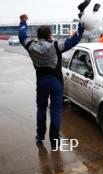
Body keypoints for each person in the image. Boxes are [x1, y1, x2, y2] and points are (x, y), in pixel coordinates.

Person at [18, 14, 84, 148]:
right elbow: (74, 40)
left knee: (41, 108)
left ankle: (40, 135)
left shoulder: (31, 46)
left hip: (41, 82)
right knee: (55, 110)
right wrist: (81, 26)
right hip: (56, 83)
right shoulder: (56, 45)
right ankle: (54, 140)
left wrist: (23, 21)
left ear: (38, 36)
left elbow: (22, 35)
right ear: (49, 35)